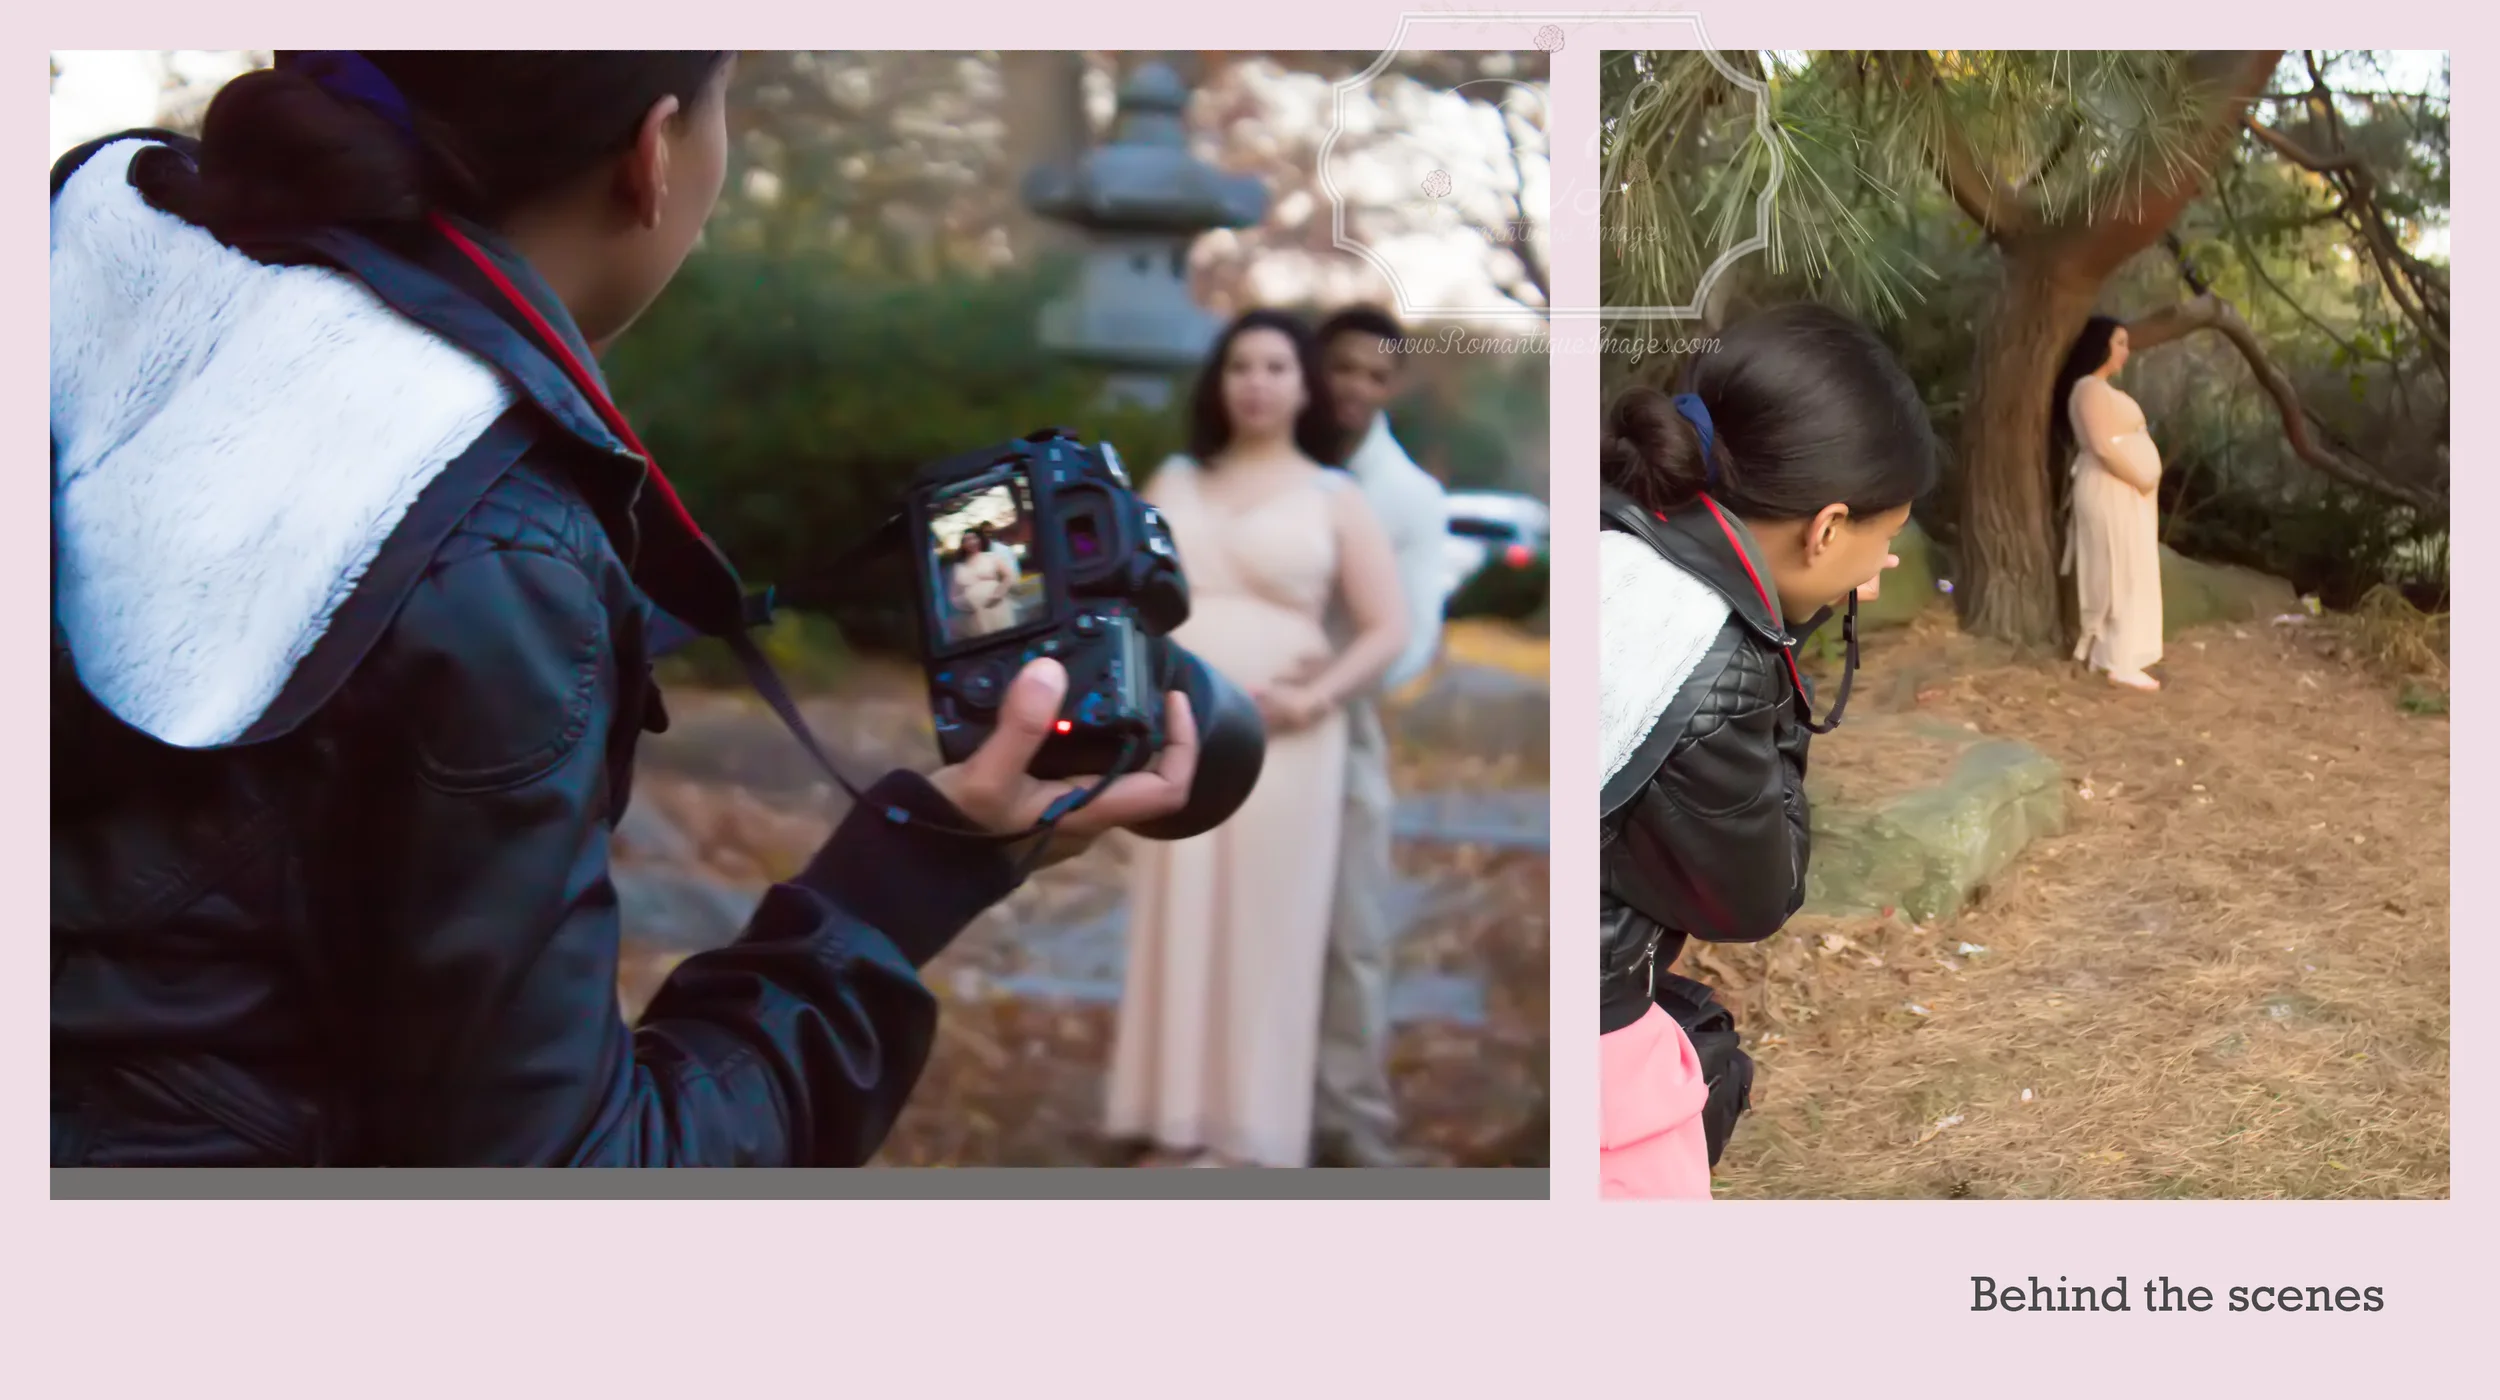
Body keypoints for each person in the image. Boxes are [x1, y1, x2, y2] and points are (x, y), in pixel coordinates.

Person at [49, 51, 1197, 1168]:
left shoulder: (90, 285)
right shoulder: (483, 541)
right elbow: (564, 1183)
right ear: (653, 155)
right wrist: (905, 884)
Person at [1596, 303, 1935, 1198]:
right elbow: (1755, 892)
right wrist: (1781, 639)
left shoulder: (1615, 546)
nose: (1880, 557)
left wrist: (1790, 601)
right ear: (1826, 530)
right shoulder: (1711, 661)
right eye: (1883, 536)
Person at [1104, 309, 1409, 1168]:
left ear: (1304, 384)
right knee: (1180, 910)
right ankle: (1174, 1118)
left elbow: (1388, 627)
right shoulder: (1172, 478)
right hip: (1180, 732)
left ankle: (1253, 1134)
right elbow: (1126, 601)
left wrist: (1317, 697)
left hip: (1288, 742)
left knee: (1272, 922)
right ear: (1219, 381)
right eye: (1241, 365)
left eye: (1277, 366)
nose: (1258, 382)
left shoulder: (1333, 497)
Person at [1307, 305, 1451, 1167]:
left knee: (1351, 930)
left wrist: (1322, 681)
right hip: (1236, 716)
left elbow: (1414, 644)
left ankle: (1349, 1120)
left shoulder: (1405, 497)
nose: (1356, 388)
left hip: (1343, 725)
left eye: (1374, 374)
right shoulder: (1268, 463)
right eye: (1342, 368)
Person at [2052, 316, 2166, 692]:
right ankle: (2116, 659)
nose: (2125, 351)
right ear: (2101, 344)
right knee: (2116, 567)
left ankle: (2120, 655)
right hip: (2109, 486)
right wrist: (2140, 476)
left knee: (2130, 566)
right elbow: (2101, 445)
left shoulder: (2101, 389)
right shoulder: (2088, 388)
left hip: (2124, 490)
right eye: (2119, 342)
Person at [948, 526, 1019, 637]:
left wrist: (998, 593)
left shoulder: (991, 557)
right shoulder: (958, 567)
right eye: (966, 540)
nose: (971, 542)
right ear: (962, 544)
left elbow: (1009, 576)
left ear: (979, 540)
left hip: (996, 607)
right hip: (974, 615)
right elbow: (953, 596)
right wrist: (965, 605)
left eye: (973, 538)